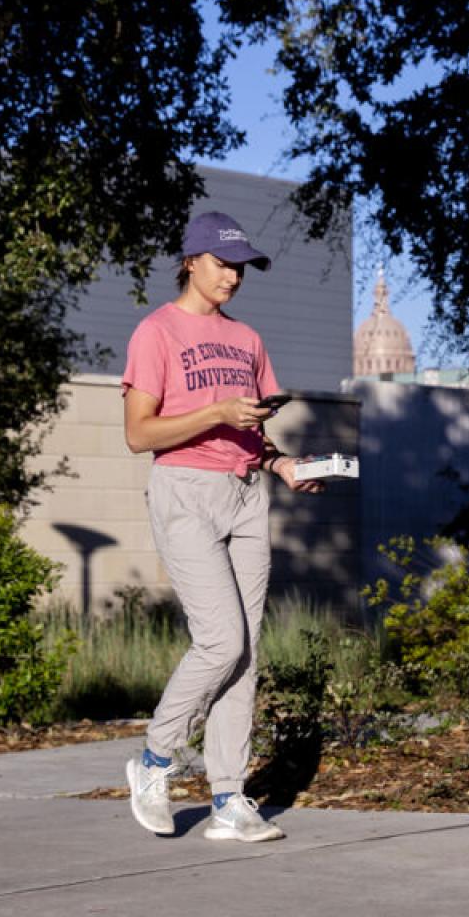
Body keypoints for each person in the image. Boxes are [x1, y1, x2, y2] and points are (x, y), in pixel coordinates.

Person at [121, 210, 323, 842]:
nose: (233, 277)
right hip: (184, 491)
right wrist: (214, 412)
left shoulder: (248, 341)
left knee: (248, 652)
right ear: (191, 261)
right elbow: (138, 434)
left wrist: (283, 463)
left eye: (240, 267)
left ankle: (229, 799)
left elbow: (251, 433)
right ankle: (155, 759)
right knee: (220, 640)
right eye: (222, 264)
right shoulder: (155, 333)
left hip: (244, 496)